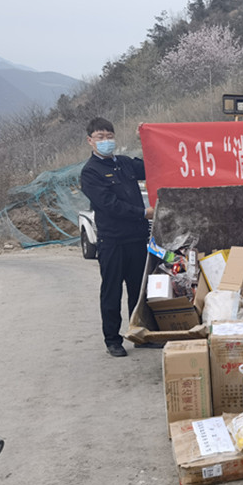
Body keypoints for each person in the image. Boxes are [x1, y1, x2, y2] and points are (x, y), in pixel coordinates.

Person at [80, 117, 153, 358]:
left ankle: (139, 334)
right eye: (100, 137)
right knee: (112, 291)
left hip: (137, 239)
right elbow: (109, 204)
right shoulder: (90, 172)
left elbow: (152, 166)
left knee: (139, 291)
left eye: (109, 136)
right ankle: (112, 340)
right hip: (112, 241)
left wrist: (147, 139)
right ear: (90, 141)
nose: (106, 141)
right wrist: (142, 213)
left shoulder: (124, 163)